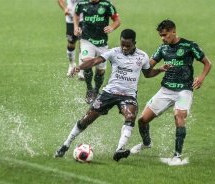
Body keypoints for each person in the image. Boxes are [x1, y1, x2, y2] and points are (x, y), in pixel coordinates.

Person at [54, 29, 172, 162]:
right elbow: (94, 61)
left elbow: (147, 73)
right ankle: (65, 144)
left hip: (128, 95)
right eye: (122, 44)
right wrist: (79, 67)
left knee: (131, 115)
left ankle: (119, 149)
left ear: (135, 43)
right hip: (109, 93)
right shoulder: (114, 52)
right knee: (86, 120)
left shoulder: (142, 56)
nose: (125, 48)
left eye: (128, 45)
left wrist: (160, 70)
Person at [130, 19, 212, 165]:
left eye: (165, 35)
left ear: (173, 32)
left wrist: (201, 77)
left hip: (183, 92)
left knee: (179, 116)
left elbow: (207, 63)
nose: (162, 38)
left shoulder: (189, 46)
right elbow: (147, 73)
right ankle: (147, 143)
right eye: (161, 35)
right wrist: (159, 69)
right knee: (142, 121)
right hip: (166, 91)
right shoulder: (162, 49)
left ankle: (177, 156)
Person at [73, 0, 121, 104]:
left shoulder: (107, 5)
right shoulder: (82, 4)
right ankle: (89, 88)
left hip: (102, 43)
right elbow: (76, 14)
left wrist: (112, 27)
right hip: (86, 40)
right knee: (87, 63)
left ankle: (96, 90)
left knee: (100, 71)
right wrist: (76, 26)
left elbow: (117, 20)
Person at [57, 0, 85, 80]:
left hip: (84, 18)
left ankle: (81, 69)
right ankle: (71, 64)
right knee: (71, 43)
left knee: (82, 43)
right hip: (70, 18)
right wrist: (64, 8)